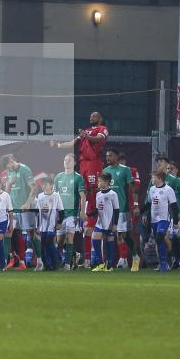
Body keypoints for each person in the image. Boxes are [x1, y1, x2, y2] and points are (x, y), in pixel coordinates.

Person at [52, 111, 108, 259]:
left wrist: (86, 136)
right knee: (80, 189)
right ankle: (81, 213)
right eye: (90, 116)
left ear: (100, 118)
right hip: (83, 163)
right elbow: (72, 143)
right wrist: (57, 145)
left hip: (93, 162)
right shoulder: (86, 131)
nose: (91, 117)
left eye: (95, 115)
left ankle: (94, 212)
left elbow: (98, 139)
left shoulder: (101, 128)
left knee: (93, 188)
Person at [101, 148, 138, 270]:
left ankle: (134, 256)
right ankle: (117, 260)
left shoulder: (125, 170)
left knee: (123, 234)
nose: (108, 158)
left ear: (116, 157)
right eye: (106, 156)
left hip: (122, 207)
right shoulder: (105, 171)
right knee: (114, 234)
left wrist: (136, 205)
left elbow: (133, 189)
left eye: (110, 156)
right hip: (108, 209)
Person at [1, 154, 38, 271]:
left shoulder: (24, 169)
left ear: (12, 161)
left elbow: (34, 187)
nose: (8, 169)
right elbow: (7, 192)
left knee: (31, 233)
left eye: (8, 166)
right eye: (6, 168)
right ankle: (14, 260)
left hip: (25, 207)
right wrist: (8, 184)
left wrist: (28, 203)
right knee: (10, 233)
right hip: (13, 208)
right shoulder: (8, 172)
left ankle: (40, 260)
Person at [142, 170, 179, 272]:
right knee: (159, 240)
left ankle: (164, 263)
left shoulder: (168, 190)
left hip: (164, 218)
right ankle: (165, 262)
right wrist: (141, 211)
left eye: (154, 177)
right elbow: (149, 204)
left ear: (160, 178)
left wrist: (175, 222)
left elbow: (174, 206)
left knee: (159, 236)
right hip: (154, 219)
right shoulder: (152, 189)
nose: (152, 179)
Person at [54, 153, 85, 271]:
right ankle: (72, 256)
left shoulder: (78, 177)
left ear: (74, 163)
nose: (66, 162)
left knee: (69, 238)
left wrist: (82, 212)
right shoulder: (58, 177)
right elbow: (54, 196)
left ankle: (67, 265)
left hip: (72, 214)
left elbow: (82, 196)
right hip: (61, 214)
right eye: (65, 160)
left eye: (69, 160)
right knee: (60, 242)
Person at [90, 173, 119, 272]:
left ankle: (110, 265)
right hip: (100, 222)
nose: (98, 183)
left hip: (109, 222)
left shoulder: (113, 194)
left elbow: (116, 210)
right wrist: (88, 215)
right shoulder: (98, 194)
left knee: (109, 243)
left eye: (100, 181)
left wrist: (115, 224)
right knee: (94, 238)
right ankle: (100, 263)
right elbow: (98, 209)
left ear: (106, 182)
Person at [35, 178, 65, 271]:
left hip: (52, 225)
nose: (43, 186)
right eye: (42, 184)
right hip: (42, 226)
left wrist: (59, 223)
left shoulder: (56, 196)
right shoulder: (40, 196)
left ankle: (55, 263)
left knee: (49, 242)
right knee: (43, 244)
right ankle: (47, 265)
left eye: (45, 184)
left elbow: (61, 211)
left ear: (51, 185)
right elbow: (38, 212)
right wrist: (37, 226)